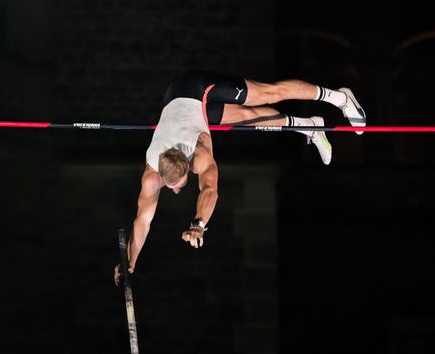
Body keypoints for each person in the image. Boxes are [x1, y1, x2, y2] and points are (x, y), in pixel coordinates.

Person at [114, 70, 365, 285]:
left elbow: (210, 190)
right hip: (183, 107)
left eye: (178, 185)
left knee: (269, 93)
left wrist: (198, 225)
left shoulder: (200, 150)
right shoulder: (151, 174)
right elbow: (142, 221)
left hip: (197, 87)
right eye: (172, 187)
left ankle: (340, 97)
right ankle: (309, 124)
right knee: (248, 118)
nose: (176, 190)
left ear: (188, 166)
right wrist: (130, 261)